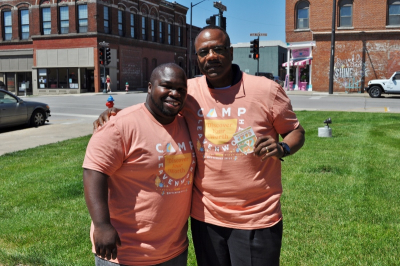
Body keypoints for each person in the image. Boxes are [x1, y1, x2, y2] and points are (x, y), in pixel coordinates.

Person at [94, 26, 305, 266]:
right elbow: (156, 104)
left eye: (218, 49)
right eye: (204, 52)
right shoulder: (189, 91)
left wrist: (284, 147)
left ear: (231, 52)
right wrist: (120, 115)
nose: (211, 56)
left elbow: (296, 131)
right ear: (197, 58)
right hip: (205, 217)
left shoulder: (266, 90)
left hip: (255, 216)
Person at [83, 63, 195, 266]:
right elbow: (94, 172)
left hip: (174, 250)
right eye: (166, 86)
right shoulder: (119, 126)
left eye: (181, 89)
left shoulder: (186, 123)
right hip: (125, 252)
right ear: (150, 87)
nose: (174, 93)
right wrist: (101, 225)